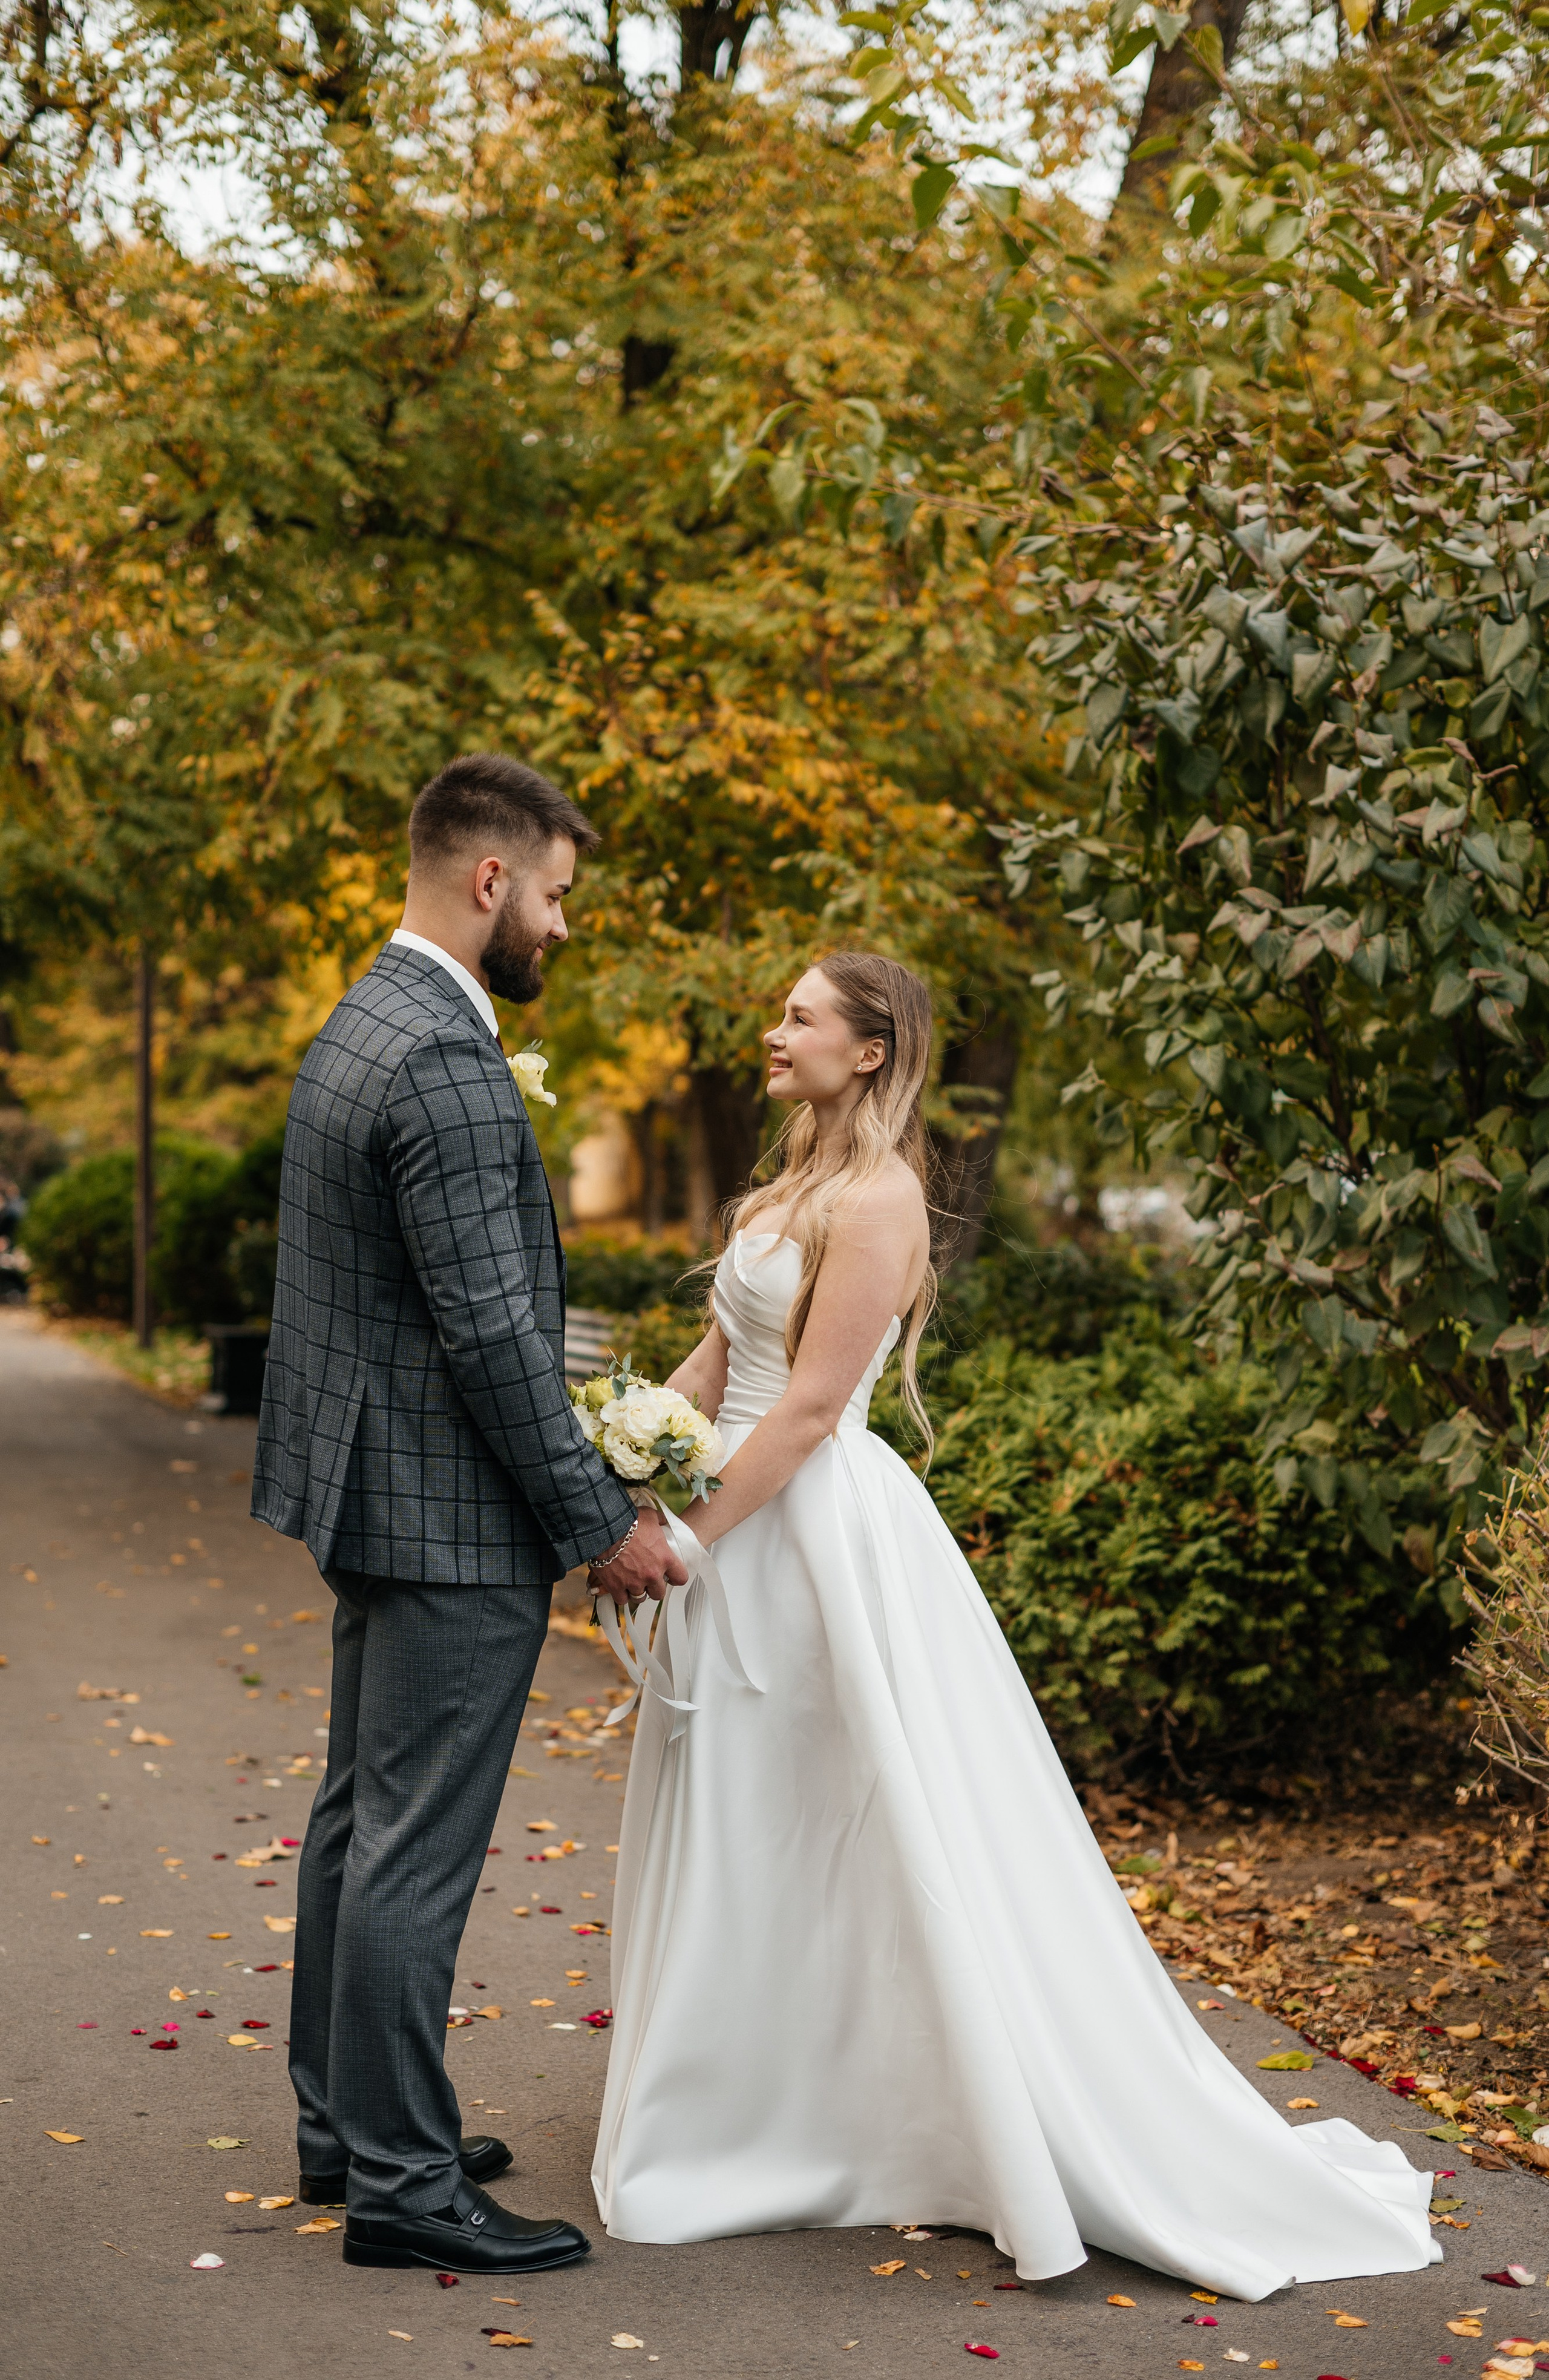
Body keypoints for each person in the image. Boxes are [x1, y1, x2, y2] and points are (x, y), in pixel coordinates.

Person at [589, 949, 1440, 2301]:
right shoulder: (779, 1188)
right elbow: (715, 1364)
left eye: (798, 1015)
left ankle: (883, 2119)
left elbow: (808, 1411)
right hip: (728, 1516)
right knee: (747, 1811)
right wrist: (622, 1470)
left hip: (806, 1534)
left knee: (845, 1816)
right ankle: (755, 2100)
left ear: (867, 1050)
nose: (772, 1030)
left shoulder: (879, 1200)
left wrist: (689, 1535)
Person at [252, 752, 687, 2278]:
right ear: (489, 879)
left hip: (368, 1491)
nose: (562, 926)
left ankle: (345, 2118)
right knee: (410, 1846)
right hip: (445, 1515)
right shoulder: (440, 1052)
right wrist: (596, 1518)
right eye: (556, 893)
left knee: (358, 1822)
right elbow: (493, 1333)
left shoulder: (366, 1014)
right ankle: (399, 2182)